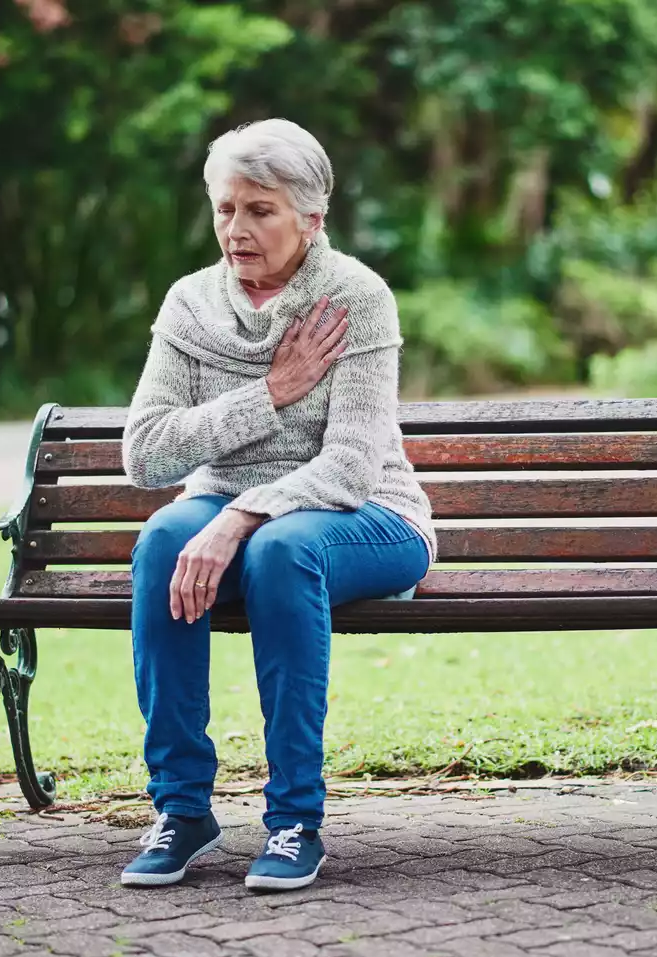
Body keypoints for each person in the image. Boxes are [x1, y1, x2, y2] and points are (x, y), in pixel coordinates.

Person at [119, 119, 435, 892]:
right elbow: (145, 453)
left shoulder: (355, 297)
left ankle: (295, 818)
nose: (237, 228)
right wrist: (269, 395)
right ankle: (182, 809)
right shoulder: (191, 304)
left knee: (280, 549)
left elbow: (352, 467)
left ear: (311, 218)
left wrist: (240, 515)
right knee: (163, 541)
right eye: (226, 209)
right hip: (238, 511)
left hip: (369, 517)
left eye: (259, 210)